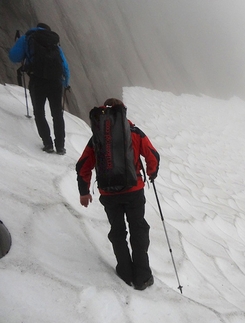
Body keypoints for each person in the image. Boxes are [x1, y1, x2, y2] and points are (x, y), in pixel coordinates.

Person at [76, 98, 160, 290]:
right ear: (123, 113)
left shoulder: (97, 137)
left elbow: (83, 165)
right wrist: (152, 172)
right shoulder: (134, 133)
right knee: (138, 229)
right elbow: (152, 155)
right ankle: (143, 276)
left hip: (108, 194)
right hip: (134, 191)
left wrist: (84, 192)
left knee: (118, 231)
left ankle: (124, 271)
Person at [9, 23, 70, 155]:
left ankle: (48, 144)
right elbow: (64, 65)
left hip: (37, 80)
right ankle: (60, 146)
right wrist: (66, 83)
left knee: (39, 112)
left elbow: (14, 57)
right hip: (55, 82)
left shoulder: (27, 38)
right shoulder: (54, 43)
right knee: (57, 114)